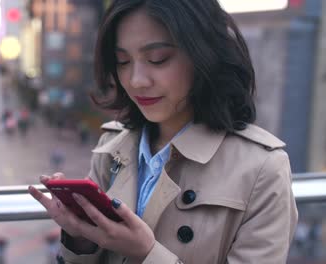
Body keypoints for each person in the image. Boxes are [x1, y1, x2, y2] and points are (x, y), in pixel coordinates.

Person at [29, 0, 298, 263]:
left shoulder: (263, 169)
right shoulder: (113, 146)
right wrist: (81, 239)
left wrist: (147, 253)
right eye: (122, 61)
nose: (136, 80)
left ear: (205, 54)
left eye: (158, 59)